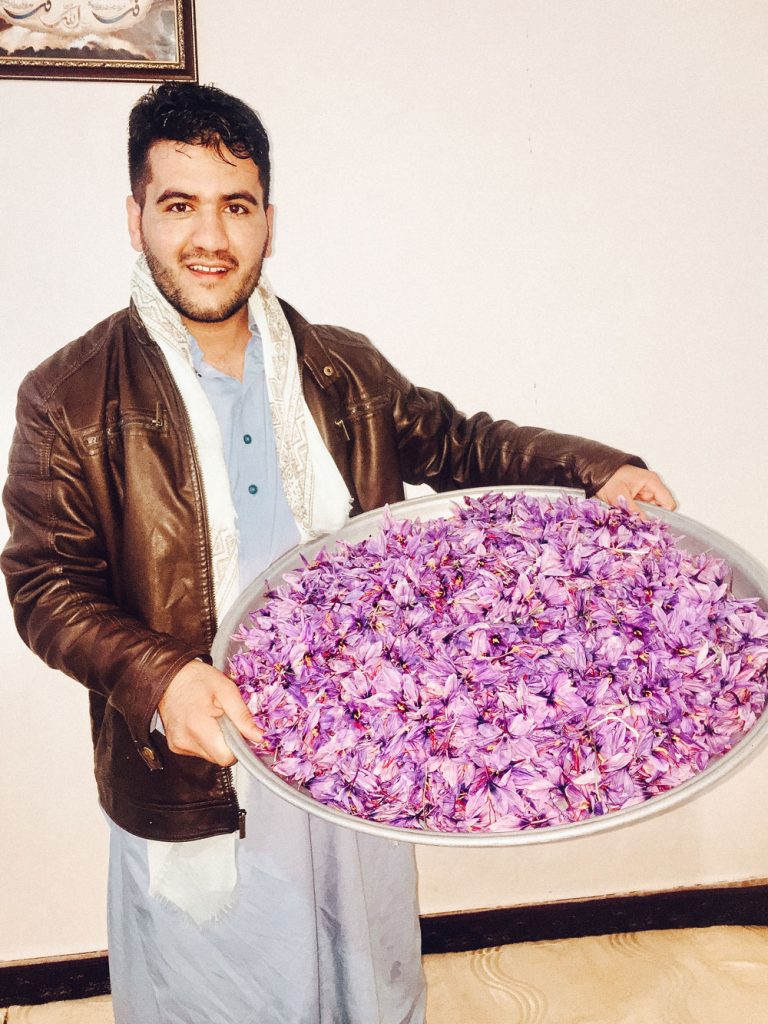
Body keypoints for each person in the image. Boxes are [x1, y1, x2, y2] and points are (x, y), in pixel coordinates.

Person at [2, 82, 675, 1024]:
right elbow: (44, 586)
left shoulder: (339, 367)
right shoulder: (68, 400)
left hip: (359, 742)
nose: (210, 237)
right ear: (135, 218)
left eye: (235, 207)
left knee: (367, 981)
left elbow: (461, 444)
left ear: (268, 222)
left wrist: (595, 468)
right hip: (205, 762)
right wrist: (161, 681)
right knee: (221, 994)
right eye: (178, 205)